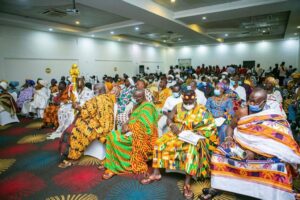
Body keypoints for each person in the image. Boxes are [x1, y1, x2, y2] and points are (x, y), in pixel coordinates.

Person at [199, 88, 300, 200]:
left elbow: (281, 137)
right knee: (218, 155)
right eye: (249, 100)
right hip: (240, 144)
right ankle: (218, 186)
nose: (250, 104)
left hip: (266, 150)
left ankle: (276, 193)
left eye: (254, 102)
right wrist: (228, 138)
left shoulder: (273, 115)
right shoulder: (242, 111)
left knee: (280, 165)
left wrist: (253, 150)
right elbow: (231, 127)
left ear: (264, 102)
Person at [141, 89, 218, 199]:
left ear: (195, 99)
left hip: (192, 136)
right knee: (159, 143)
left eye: (190, 102)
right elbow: (169, 119)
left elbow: (210, 126)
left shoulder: (202, 110)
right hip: (177, 134)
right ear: (182, 99)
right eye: (185, 102)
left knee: (191, 149)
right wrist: (172, 126)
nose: (187, 105)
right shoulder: (177, 106)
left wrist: (197, 132)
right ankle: (156, 173)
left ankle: (187, 182)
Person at [101, 89, 158, 179]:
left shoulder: (148, 107)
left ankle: (116, 168)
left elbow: (146, 127)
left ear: (144, 96)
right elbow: (131, 118)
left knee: (117, 139)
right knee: (111, 135)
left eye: (139, 97)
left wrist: (129, 128)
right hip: (131, 130)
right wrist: (125, 124)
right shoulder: (137, 105)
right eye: (135, 97)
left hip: (142, 135)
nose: (136, 99)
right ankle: (111, 163)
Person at [58, 83, 115, 168]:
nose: (93, 91)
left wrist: (77, 107)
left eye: (94, 90)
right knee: (77, 125)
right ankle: (71, 152)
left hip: (99, 127)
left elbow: (85, 113)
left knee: (75, 132)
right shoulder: (109, 98)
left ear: (98, 91)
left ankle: (73, 158)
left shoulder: (95, 100)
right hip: (107, 126)